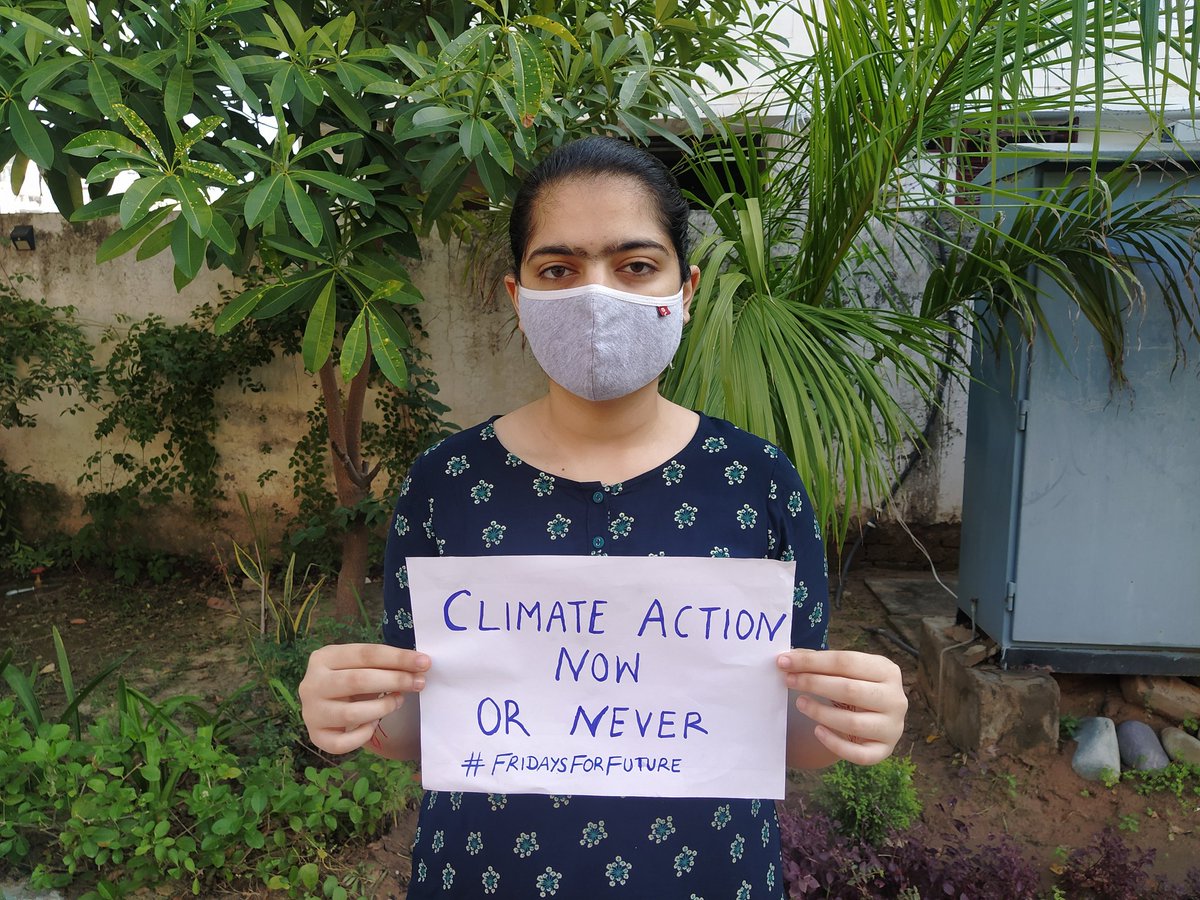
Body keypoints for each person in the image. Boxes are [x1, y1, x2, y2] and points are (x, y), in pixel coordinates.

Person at [299, 135, 907, 898]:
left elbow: (783, 733)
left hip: (707, 876)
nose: (596, 295)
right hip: (485, 876)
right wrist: (351, 713)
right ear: (518, 298)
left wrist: (853, 720)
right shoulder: (447, 483)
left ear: (685, 288)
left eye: (635, 265)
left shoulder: (760, 483)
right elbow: (425, 725)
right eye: (558, 269)